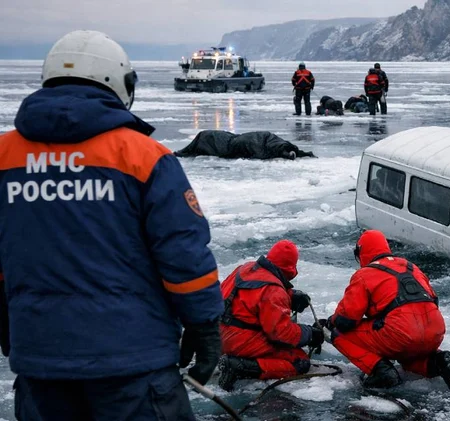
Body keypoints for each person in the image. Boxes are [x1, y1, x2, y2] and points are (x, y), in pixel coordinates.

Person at [0, 30, 222, 419]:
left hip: (41, 359)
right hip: (133, 363)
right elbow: (183, 253)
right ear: (118, 81)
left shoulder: (5, 157)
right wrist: (204, 326)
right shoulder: (143, 157)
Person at [323, 230, 450, 390]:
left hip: (400, 332)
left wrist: (331, 322)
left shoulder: (365, 274)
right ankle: (439, 362)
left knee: (339, 334)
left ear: (361, 252)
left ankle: (381, 371)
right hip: (434, 331)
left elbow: (346, 320)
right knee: (408, 356)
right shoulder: (412, 268)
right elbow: (432, 301)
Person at [217, 240, 325, 392]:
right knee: (299, 361)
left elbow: (255, 293)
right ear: (291, 268)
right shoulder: (274, 291)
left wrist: (290, 296)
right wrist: (310, 334)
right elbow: (281, 334)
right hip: (239, 341)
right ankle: (239, 367)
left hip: (217, 334)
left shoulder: (244, 269)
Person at [174, 130, 315, 160]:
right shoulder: (272, 141)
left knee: (225, 144)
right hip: (247, 140)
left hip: (244, 141)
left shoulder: (272, 142)